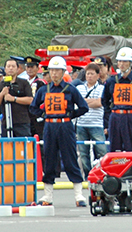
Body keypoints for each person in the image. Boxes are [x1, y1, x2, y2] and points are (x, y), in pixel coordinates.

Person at [29, 56, 89, 206]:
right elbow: (33, 107)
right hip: (49, 126)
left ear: (63, 72)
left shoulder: (70, 89)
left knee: (70, 158)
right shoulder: (43, 90)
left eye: (58, 70)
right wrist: (44, 115)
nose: (54, 73)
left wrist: (69, 115)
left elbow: (83, 107)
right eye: (52, 70)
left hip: (65, 126)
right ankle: (47, 196)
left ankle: (79, 195)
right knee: (49, 158)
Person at [76, 63, 107, 180]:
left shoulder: (102, 88)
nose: (89, 76)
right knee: (83, 154)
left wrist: (84, 101)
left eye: (92, 74)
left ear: (98, 75)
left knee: (101, 151)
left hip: (96, 124)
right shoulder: (79, 88)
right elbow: (77, 103)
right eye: (87, 73)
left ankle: (102, 174)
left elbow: (99, 103)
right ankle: (88, 176)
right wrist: (90, 102)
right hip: (81, 124)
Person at [0, 59, 33, 137]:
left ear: (18, 68)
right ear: (5, 69)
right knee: (7, 147)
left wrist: (14, 99)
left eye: (13, 66)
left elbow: (30, 100)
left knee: (23, 147)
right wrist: (2, 94)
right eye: (8, 66)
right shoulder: (1, 84)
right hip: (6, 122)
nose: (11, 68)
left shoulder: (24, 83)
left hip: (22, 122)